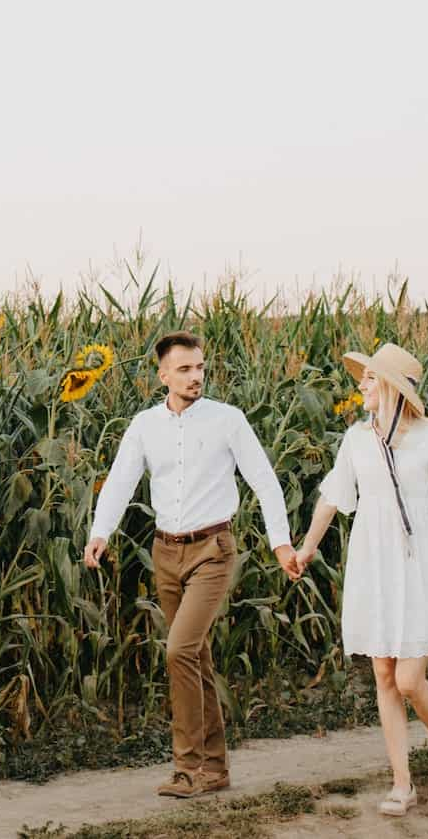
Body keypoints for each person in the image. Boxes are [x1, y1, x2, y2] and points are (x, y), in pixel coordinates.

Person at [84, 330, 300, 799]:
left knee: (179, 650)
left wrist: (281, 544)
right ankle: (216, 768)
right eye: (184, 369)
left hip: (212, 550)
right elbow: (120, 481)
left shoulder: (228, 420)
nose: (195, 376)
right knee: (195, 659)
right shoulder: (144, 425)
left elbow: (264, 480)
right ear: (163, 375)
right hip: (165, 552)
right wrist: (100, 532)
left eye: (200, 367)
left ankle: (186, 768)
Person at [295, 342, 428, 817]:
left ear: (390, 387)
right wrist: (307, 547)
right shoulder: (356, 439)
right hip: (373, 558)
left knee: (408, 678)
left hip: (419, 560)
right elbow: (333, 498)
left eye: (367, 379)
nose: (359, 385)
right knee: (383, 674)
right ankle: (402, 783)